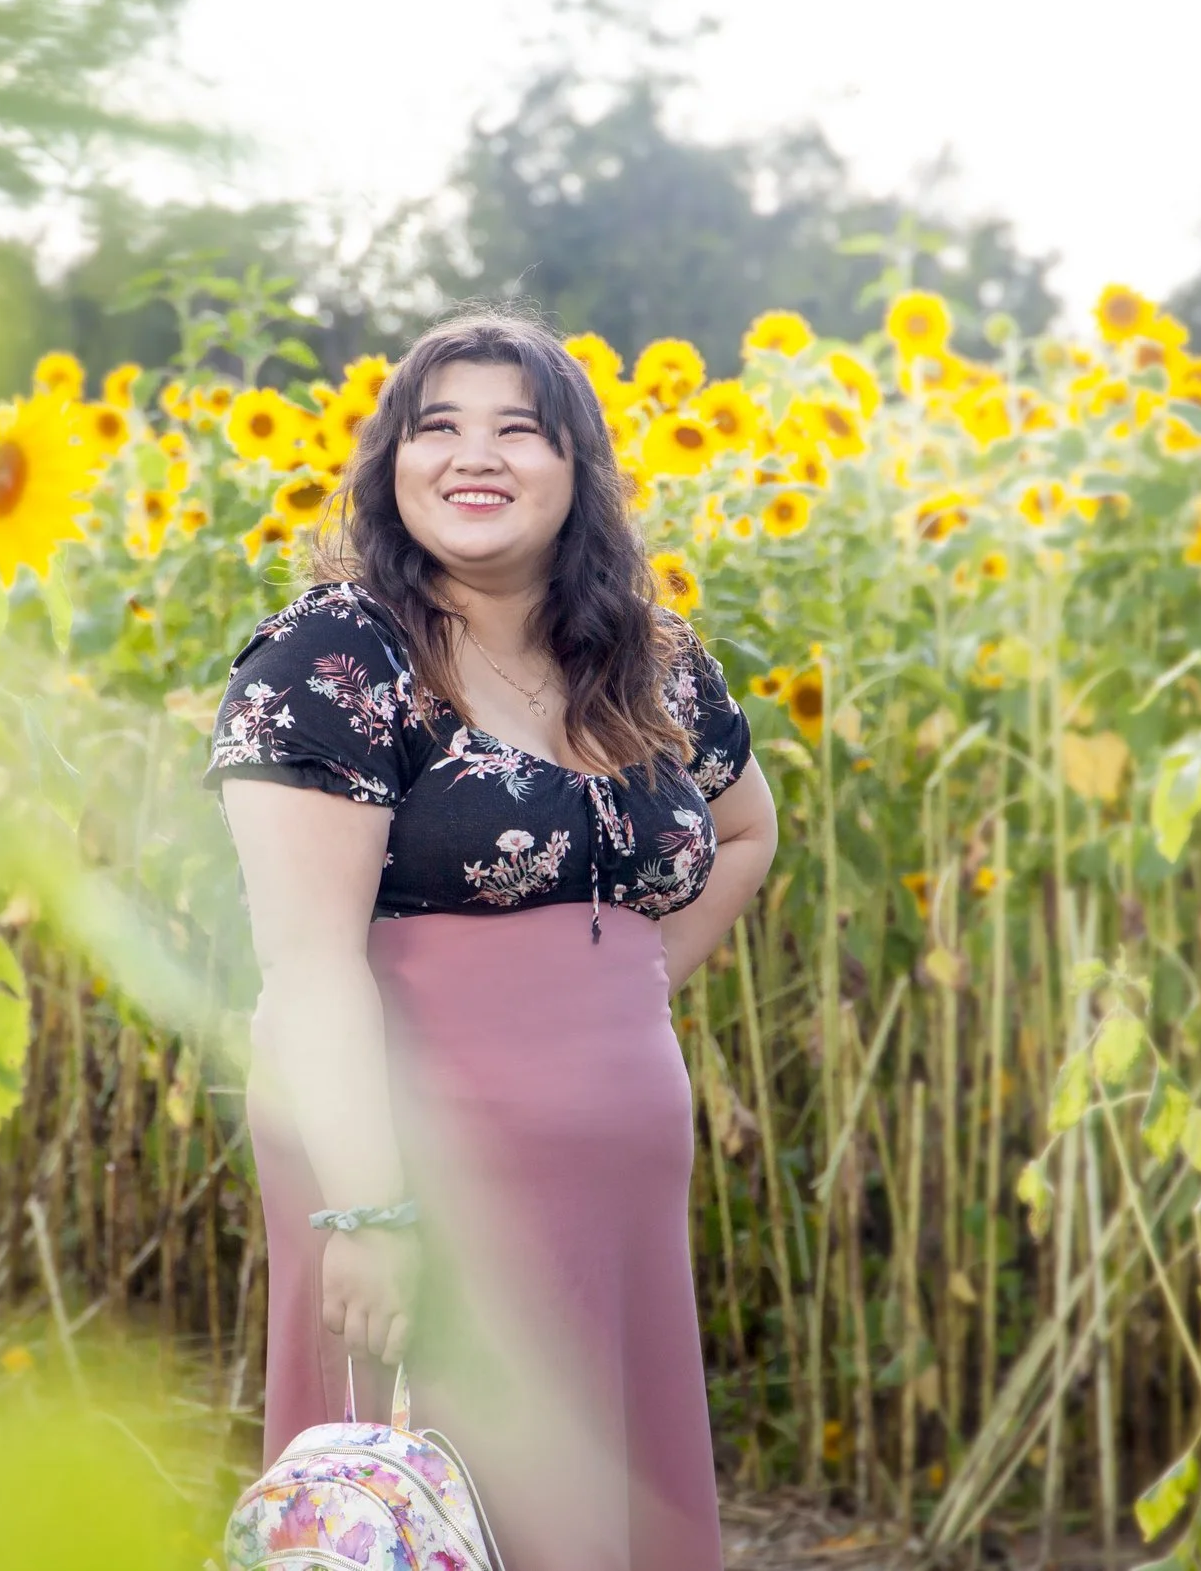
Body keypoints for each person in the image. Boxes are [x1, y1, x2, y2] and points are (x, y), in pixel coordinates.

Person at [203, 308, 777, 1571]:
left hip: (615, 1181)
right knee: (426, 1515)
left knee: (605, 1505)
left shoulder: (652, 661)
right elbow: (306, 965)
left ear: (575, 470)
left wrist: (627, 992)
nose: (477, 455)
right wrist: (367, 1210)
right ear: (391, 466)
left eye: (519, 428)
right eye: (438, 427)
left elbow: (744, 836)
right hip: (416, 1161)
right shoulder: (332, 658)